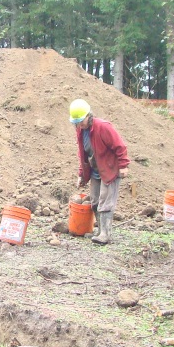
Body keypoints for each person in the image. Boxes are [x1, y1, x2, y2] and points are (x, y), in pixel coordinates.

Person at [70, 99, 129, 244]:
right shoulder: (80, 131)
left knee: (105, 201)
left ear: (88, 116)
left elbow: (120, 146)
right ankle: (99, 230)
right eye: (76, 122)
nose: (79, 125)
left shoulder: (103, 127)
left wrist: (123, 165)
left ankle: (105, 234)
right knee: (95, 201)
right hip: (95, 169)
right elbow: (83, 153)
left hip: (109, 169)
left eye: (81, 121)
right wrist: (82, 174)